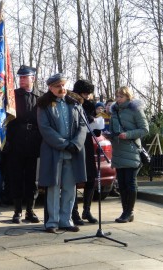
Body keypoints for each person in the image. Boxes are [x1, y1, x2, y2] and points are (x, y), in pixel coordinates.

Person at [37, 74, 87, 233]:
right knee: (53, 187)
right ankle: (52, 222)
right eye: (58, 86)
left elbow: (83, 126)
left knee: (69, 188)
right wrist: (64, 144)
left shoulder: (75, 103)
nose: (62, 89)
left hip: (73, 152)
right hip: (54, 152)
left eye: (64, 85)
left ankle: (66, 220)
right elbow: (45, 129)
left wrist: (76, 143)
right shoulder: (44, 105)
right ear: (51, 88)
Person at [5, 65, 42, 224]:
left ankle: (30, 210)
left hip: (34, 142)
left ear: (33, 78)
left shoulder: (41, 97)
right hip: (16, 142)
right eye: (20, 77)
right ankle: (17, 210)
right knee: (16, 177)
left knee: (32, 179)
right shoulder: (12, 96)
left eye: (24, 77)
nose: (21, 80)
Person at [109, 86, 149, 223]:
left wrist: (128, 135)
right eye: (117, 96)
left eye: (121, 96)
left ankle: (129, 212)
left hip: (132, 150)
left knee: (130, 182)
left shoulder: (135, 110)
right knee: (121, 183)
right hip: (118, 150)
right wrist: (109, 135)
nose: (118, 99)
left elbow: (144, 129)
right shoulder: (114, 111)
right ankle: (124, 211)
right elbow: (113, 129)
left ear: (128, 97)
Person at [71, 79, 99, 225]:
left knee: (91, 177)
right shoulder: (72, 103)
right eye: (84, 93)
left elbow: (97, 131)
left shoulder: (90, 105)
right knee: (75, 178)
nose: (87, 96)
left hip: (88, 143)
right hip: (76, 143)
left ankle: (86, 210)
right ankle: (73, 211)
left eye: (89, 94)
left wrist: (97, 125)